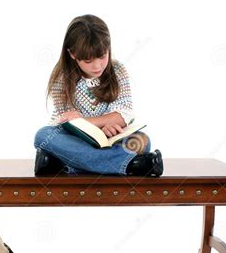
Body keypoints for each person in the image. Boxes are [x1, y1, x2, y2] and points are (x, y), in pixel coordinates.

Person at [33, 14, 163, 176]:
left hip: (112, 139)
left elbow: (121, 117)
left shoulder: (117, 71)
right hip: (76, 142)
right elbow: (69, 124)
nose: (97, 66)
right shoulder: (62, 77)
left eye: (102, 57)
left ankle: (66, 165)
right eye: (88, 61)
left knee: (142, 140)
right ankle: (130, 166)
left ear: (108, 48)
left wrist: (97, 124)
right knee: (43, 135)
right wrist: (103, 122)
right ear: (72, 54)